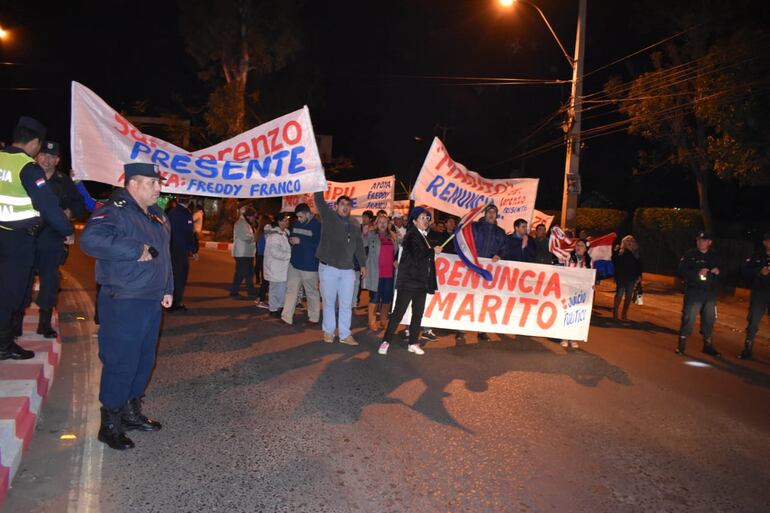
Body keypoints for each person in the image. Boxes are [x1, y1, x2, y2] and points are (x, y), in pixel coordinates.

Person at [80, 162, 171, 450]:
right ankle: (109, 424)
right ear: (132, 184)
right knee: (121, 361)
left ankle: (131, 413)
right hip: (124, 299)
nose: (159, 187)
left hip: (150, 299)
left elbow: (165, 256)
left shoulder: (157, 216)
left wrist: (167, 288)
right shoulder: (115, 210)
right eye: (152, 183)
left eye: (159, 182)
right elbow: (91, 239)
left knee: (144, 360)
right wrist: (135, 250)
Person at [1, 118, 73, 360]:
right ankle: (4, 345)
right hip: (18, 241)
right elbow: (49, 206)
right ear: (33, 143)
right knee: (11, 294)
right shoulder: (27, 168)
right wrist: (67, 230)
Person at [27, 141, 85, 338]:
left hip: (52, 237)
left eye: (52, 157)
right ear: (36, 155)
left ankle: (44, 324)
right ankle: (14, 322)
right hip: (27, 236)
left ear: (58, 160)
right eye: (43, 155)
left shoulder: (63, 181)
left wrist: (69, 212)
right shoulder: (28, 174)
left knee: (50, 281)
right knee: (22, 280)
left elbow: (80, 206)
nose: (47, 159)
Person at [379, 207, 441, 356]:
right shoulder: (411, 235)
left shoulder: (424, 236)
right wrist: (433, 251)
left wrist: (433, 249)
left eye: (427, 218)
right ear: (414, 221)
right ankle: (386, 341)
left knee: (418, 314)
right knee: (398, 314)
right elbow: (417, 253)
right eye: (422, 218)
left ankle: (413, 342)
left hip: (421, 283)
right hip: (408, 282)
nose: (426, 220)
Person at [314, 192, 367, 345]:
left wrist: (362, 264)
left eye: (348, 205)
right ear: (336, 206)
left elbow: (358, 246)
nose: (345, 207)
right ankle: (329, 332)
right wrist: (319, 182)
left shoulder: (354, 224)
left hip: (347, 270)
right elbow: (319, 200)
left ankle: (345, 334)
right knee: (329, 302)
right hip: (328, 268)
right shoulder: (329, 216)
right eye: (342, 204)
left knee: (346, 304)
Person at [464, 203, 506, 342]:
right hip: (473, 267)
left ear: (496, 215)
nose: (491, 214)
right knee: (467, 298)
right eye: (489, 211)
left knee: (484, 299)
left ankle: (481, 330)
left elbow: (504, 248)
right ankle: (460, 328)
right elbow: (464, 239)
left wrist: (499, 255)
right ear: (484, 213)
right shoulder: (474, 227)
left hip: (488, 270)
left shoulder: (500, 232)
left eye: (494, 212)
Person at [675, 231, 721, 357]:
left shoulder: (714, 256)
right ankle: (682, 345)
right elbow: (681, 270)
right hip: (694, 291)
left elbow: (725, 270)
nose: (701, 242)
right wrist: (697, 272)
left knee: (709, 319)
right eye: (699, 240)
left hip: (710, 293)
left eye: (704, 240)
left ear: (709, 242)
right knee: (688, 318)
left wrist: (718, 271)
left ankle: (708, 345)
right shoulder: (691, 254)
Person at [281, 203, 321, 325]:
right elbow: (294, 237)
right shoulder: (297, 224)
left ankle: (314, 318)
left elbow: (320, 246)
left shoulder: (318, 226)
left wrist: (301, 241)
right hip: (295, 263)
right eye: (297, 217)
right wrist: (291, 240)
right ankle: (286, 317)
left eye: (301, 216)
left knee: (311, 292)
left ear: (308, 213)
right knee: (291, 290)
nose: (299, 219)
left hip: (309, 266)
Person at [738, 231, 770, 360]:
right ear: (765, 242)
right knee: (753, 322)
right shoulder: (757, 256)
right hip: (759, 293)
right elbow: (745, 270)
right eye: (769, 240)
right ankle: (747, 348)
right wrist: (759, 271)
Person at [364, 213, 397, 331]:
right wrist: (365, 232)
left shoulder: (393, 236)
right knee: (375, 298)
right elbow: (363, 242)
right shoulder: (371, 235)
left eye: (385, 222)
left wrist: (396, 260)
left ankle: (383, 320)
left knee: (387, 298)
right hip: (375, 273)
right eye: (380, 222)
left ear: (388, 224)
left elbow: (398, 251)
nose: (383, 224)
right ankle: (372, 322)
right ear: (376, 223)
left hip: (389, 273)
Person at [167, 196, 198, 311]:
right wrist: (193, 250)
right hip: (181, 250)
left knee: (172, 276)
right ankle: (176, 303)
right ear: (189, 201)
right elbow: (188, 233)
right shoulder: (186, 213)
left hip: (170, 248)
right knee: (180, 278)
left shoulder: (172, 212)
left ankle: (169, 300)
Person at [561, 239, 592, 350]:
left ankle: (573, 338)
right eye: (577, 245)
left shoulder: (589, 261)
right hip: (569, 290)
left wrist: (591, 286)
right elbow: (565, 272)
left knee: (577, 315)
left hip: (581, 292)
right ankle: (564, 337)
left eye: (581, 246)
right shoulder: (569, 257)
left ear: (585, 249)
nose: (579, 247)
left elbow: (591, 277)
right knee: (568, 313)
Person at [264, 212, 292, 317]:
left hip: (281, 267)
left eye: (287, 220)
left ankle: (279, 307)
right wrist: (289, 255)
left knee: (281, 289)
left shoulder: (284, 234)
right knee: (275, 289)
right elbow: (274, 252)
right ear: (279, 222)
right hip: (275, 267)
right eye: (285, 220)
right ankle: (273, 309)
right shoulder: (275, 236)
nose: (287, 222)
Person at [229, 206, 258, 299]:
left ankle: (251, 290)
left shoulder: (246, 223)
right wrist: (255, 237)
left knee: (249, 272)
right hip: (242, 253)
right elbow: (246, 237)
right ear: (248, 216)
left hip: (246, 253)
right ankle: (234, 291)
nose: (254, 219)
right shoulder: (241, 224)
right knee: (241, 273)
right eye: (253, 216)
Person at [612, 235, 642, 321]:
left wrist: (639, 276)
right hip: (621, 277)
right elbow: (614, 260)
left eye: (631, 240)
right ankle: (615, 311)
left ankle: (624, 314)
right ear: (624, 242)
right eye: (627, 240)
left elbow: (639, 266)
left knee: (628, 296)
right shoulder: (621, 251)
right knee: (619, 295)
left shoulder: (636, 253)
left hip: (631, 278)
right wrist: (615, 251)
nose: (629, 242)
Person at [254, 214, 271, 307]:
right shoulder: (265, 234)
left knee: (265, 280)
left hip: (260, 257)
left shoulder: (259, 232)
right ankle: (261, 300)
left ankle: (259, 298)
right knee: (266, 280)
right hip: (265, 257)